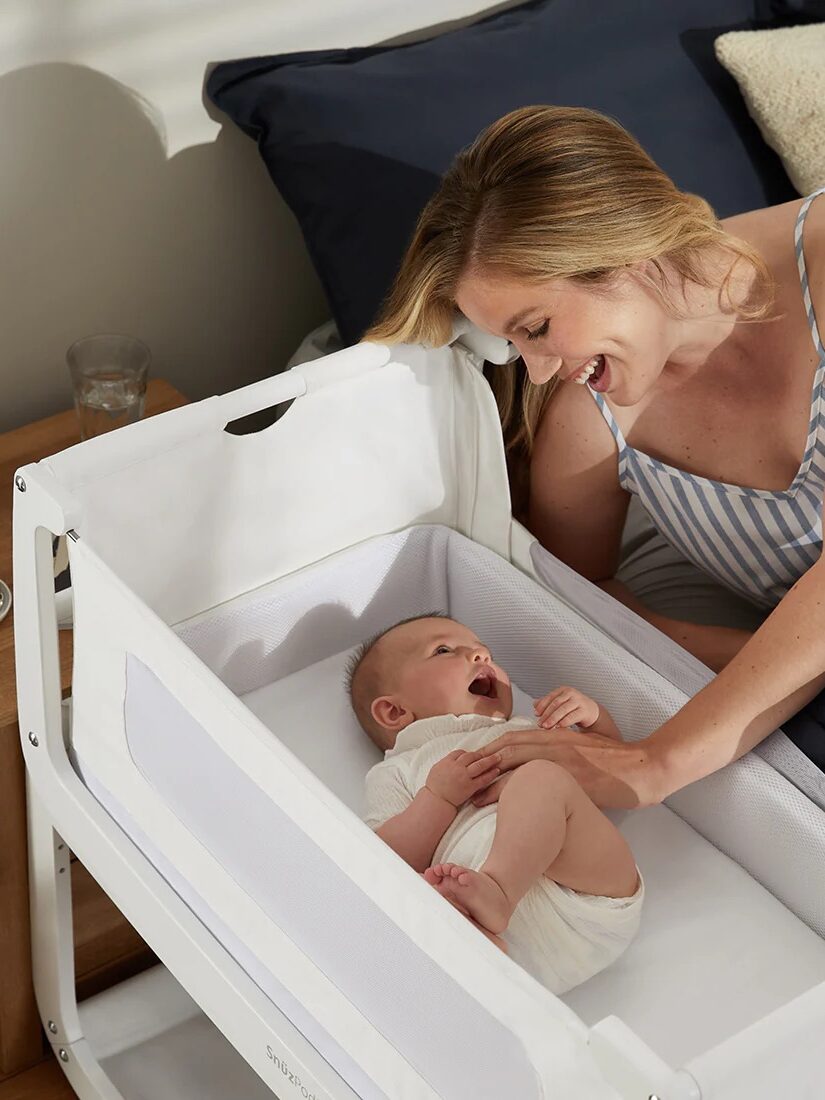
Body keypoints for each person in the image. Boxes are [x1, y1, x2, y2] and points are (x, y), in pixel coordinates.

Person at [366, 104, 825, 808]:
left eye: (537, 328)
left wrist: (658, 762)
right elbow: (575, 602)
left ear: (621, 249)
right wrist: (739, 657)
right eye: (515, 346)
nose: (538, 371)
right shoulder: (590, 421)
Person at [349, 613, 643, 995]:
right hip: (501, 934)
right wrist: (438, 798)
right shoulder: (401, 769)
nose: (480, 655)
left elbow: (611, 775)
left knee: (543, 778)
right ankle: (485, 964)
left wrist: (595, 722)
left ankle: (500, 891)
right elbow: (383, 862)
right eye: (444, 650)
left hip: (589, 898)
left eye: (483, 649)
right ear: (395, 712)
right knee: (418, 902)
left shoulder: (531, 733)